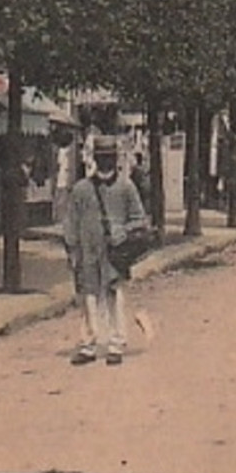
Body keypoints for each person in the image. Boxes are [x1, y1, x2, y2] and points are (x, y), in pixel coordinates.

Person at [61, 134, 149, 367]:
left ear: (116, 158)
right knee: (88, 298)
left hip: (114, 252)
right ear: (94, 159)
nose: (106, 161)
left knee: (115, 298)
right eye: (101, 157)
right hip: (87, 251)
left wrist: (124, 230)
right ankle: (88, 344)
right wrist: (71, 250)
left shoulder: (126, 187)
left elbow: (140, 220)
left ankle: (116, 343)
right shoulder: (81, 189)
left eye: (109, 156)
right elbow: (71, 221)